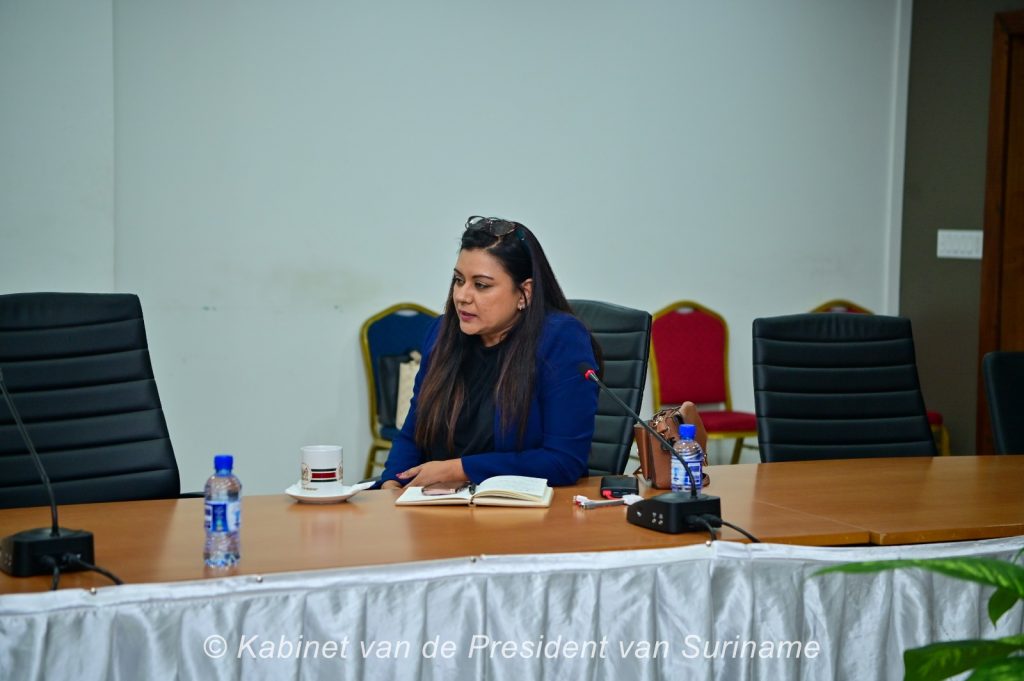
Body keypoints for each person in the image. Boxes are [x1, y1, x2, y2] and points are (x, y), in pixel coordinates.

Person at [379, 216, 601, 490]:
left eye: (481, 285)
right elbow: (413, 434)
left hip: (521, 509)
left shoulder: (560, 339)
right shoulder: (442, 333)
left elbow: (563, 461)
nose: (462, 296)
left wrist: (459, 469)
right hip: (438, 504)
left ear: (525, 293)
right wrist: (391, 484)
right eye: (459, 280)